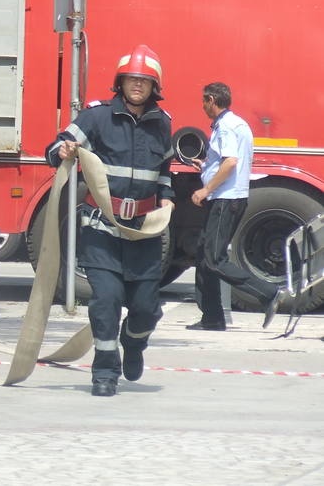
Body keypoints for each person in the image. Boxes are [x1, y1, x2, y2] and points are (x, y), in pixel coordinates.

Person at [45, 44, 175, 397]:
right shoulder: (97, 116)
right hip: (101, 230)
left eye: (144, 81)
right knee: (106, 302)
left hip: (144, 233)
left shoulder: (163, 124)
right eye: (132, 79)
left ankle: (133, 345)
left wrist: (167, 196)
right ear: (121, 82)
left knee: (146, 309)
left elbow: (164, 171)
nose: (137, 86)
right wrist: (62, 151)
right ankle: (104, 371)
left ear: (153, 87)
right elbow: (56, 148)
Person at [187, 82, 287, 331]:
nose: (203, 106)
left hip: (225, 198)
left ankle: (267, 293)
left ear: (212, 99)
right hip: (230, 197)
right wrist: (206, 166)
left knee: (213, 259)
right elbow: (227, 161)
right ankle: (211, 318)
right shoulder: (237, 123)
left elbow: (231, 161)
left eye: (204, 101)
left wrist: (206, 189)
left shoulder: (226, 126)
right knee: (203, 255)